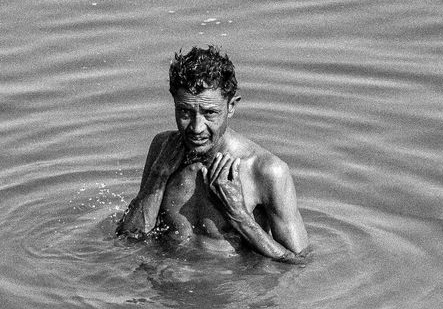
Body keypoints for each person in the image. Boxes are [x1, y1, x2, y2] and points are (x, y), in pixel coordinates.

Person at [117, 45, 308, 263]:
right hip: (166, 291)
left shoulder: (267, 171)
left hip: (232, 292)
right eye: (185, 112)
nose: (197, 128)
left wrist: (240, 216)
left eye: (210, 113)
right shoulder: (163, 149)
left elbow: (299, 262)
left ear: (232, 106)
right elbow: (128, 240)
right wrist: (158, 176)